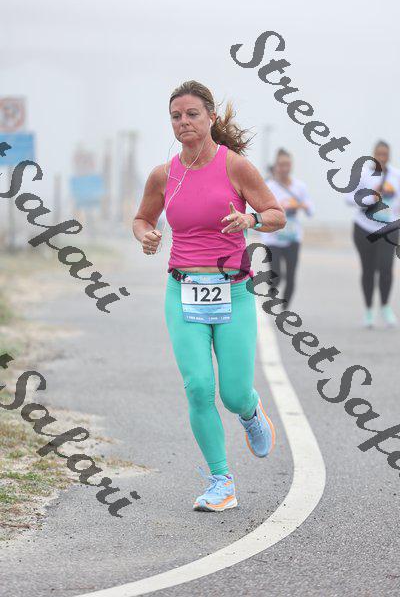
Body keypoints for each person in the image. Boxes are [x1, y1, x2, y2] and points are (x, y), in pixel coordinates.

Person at [132, 80, 286, 512]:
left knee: (233, 393)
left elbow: (277, 215)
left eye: (192, 114)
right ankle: (222, 482)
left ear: (211, 117)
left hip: (233, 291)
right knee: (199, 387)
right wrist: (146, 236)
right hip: (182, 291)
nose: (183, 122)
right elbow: (142, 219)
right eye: (176, 116)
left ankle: (250, 411)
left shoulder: (235, 166)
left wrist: (251, 219)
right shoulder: (163, 175)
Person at [346, 140, 400, 328]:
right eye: (379, 154)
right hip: (364, 228)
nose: (382, 158)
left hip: (388, 228)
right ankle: (368, 310)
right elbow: (348, 198)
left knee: (386, 268)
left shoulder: (396, 175)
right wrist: (371, 196)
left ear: (389, 156)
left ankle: (385, 307)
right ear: (373, 155)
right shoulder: (362, 174)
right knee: (368, 270)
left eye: (385, 154)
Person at [257, 148, 314, 309]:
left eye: (287, 164)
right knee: (276, 274)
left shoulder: (300, 187)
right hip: (273, 238)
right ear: (276, 166)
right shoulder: (268, 187)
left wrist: (301, 205)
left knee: (291, 276)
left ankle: (284, 309)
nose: (284, 168)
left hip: (293, 237)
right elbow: (260, 210)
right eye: (281, 164)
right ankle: (272, 290)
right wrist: (280, 208)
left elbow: (311, 210)